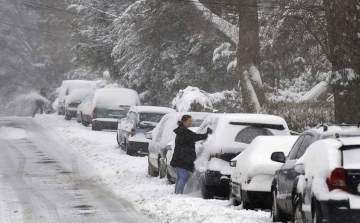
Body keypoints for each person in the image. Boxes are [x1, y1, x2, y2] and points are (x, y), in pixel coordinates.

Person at [170, 115, 212, 194]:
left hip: (178, 157)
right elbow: (195, 137)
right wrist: (206, 135)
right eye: (189, 121)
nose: (190, 123)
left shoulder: (181, 130)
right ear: (184, 121)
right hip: (183, 158)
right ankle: (178, 194)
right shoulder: (184, 131)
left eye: (191, 121)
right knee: (183, 177)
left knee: (179, 177)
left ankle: (176, 193)